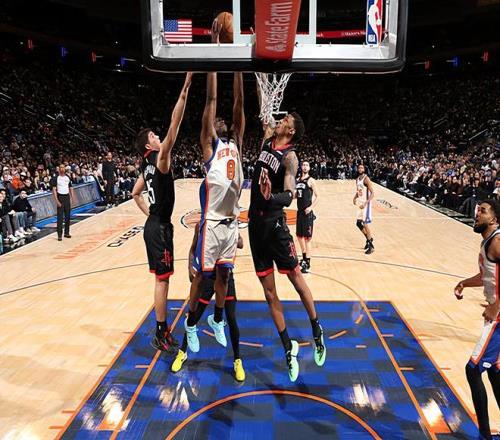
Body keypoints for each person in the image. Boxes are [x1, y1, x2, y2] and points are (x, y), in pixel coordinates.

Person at [248, 110, 326, 382]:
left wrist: (272, 196)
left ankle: (316, 329)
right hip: (255, 226)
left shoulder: (291, 157)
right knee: (269, 293)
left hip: (275, 226)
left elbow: (291, 194)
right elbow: (265, 112)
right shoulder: (267, 140)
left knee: (295, 277)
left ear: (291, 131)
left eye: (285, 121)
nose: (280, 121)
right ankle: (287, 347)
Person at [184, 22, 245, 354]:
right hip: (212, 223)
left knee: (224, 277)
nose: (220, 119)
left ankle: (217, 319)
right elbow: (212, 98)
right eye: (216, 119)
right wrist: (214, 50)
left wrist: (238, 59)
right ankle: (190, 323)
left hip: (231, 224)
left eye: (224, 120)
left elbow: (238, 101)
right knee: (202, 278)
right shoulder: (210, 145)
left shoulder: (237, 144)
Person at [132, 72, 192, 353]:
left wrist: (150, 213)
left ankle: (162, 328)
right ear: (149, 145)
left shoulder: (146, 165)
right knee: (162, 279)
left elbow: (135, 193)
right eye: (154, 136)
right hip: (158, 227)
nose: (159, 137)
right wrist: (185, 88)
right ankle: (160, 331)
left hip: (156, 224)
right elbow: (174, 124)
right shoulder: (159, 159)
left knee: (163, 277)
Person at [172, 223, 245, 381]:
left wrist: (234, 235)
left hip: (225, 278)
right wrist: (189, 267)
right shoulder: (201, 225)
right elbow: (193, 248)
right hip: (208, 277)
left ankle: (237, 360)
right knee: (194, 317)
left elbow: (241, 244)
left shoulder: (230, 223)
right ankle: (182, 352)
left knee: (232, 318)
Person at [454, 200, 500, 440]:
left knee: (473, 370)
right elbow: (485, 277)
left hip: (499, 317)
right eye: (477, 210)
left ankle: (485, 436)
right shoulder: (487, 242)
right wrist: (464, 283)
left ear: (494, 219)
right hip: (496, 314)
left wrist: (496, 306)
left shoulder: (497, 242)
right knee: (494, 371)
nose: (477, 213)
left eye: (483, 211)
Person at [296, 160, 318, 273]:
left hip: (307, 213)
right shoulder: (298, 180)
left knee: (307, 238)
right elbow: (297, 195)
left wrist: (311, 207)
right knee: (299, 236)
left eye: (306, 165)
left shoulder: (311, 180)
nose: (304, 167)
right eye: (303, 165)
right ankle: (304, 258)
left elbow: (318, 196)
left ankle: (307, 262)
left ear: (309, 168)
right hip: (299, 212)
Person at [353, 163, 375, 254]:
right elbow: (358, 191)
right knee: (358, 223)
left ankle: (371, 246)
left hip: (366, 204)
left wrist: (366, 203)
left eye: (362, 168)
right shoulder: (357, 179)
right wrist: (354, 198)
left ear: (364, 169)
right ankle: (369, 238)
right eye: (359, 168)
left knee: (365, 224)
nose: (360, 169)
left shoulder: (366, 179)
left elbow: (372, 193)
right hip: (360, 203)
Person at [51, 164, 74, 241]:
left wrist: (72, 198)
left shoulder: (68, 177)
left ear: (65, 169)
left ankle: (66, 233)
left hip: (67, 197)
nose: (62, 169)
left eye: (63, 167)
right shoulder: (56, 178)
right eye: (60, 167)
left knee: (68, 216)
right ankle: (59, 235)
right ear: (58, 169)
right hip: (60, 197)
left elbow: (71, 187)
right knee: (60, 217)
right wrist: (57, 201)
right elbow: (54, 190)